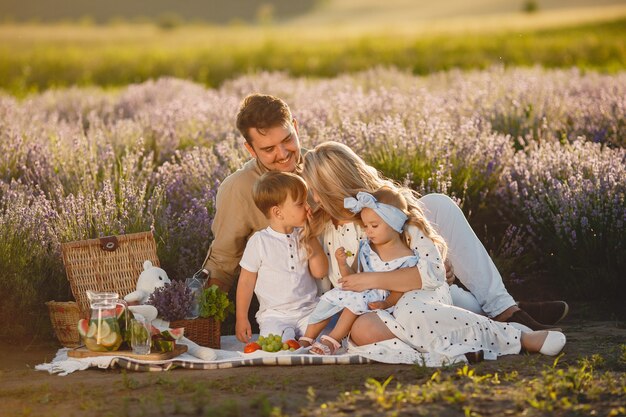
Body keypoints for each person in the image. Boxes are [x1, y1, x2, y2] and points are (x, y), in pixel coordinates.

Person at [201, 93, 567, 332]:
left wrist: (423, 242)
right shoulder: (239, 190)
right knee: (421, 288)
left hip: (369, 251)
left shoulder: (319, 163)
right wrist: (210, 320)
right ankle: (498, 319)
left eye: (288, 140)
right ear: (250, 149)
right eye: (269, 149)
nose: (283, 154)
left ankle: (504, 309)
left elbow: (371, 200)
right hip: (319, 279)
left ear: (296, 128)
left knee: (436, 204)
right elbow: (222, 262)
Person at [301, 142, 566, 364]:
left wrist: (427, 264)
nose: (312, 197)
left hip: (423, 298)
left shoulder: (384, 212)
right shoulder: (322, 228)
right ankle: (485, 328)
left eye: (315, 190)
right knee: (363, 329)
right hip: (381, 312)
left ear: (332, 189)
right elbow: (336, 286)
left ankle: (507, 322)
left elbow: (425, 274)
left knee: (436, 205)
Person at [300, 187, 442, 355]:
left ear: (393, 223)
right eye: (366, 226)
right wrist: (342, 264)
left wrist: (386, 303)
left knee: (354, 304)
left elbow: (399, 289)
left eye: (374, 225)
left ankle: (332, 341)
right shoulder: (366, 246)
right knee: (328, 300)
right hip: (359, 291)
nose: (368, 231)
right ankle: (307, 338)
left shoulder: (406, 257)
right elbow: (352, 277)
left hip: (376, 299)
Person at [235, 171, 328, 343]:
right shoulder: (260, 242)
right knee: (275, 342)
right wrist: (241, 318)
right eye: (301, 204)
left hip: (308, 311)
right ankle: (292, 340)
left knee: (322, 338)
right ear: (278, 213)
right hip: (274, 315)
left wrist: (311, 237)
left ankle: (304, 341)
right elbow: (246, 282)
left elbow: (320, 272)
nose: (308, 207)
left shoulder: (305, 236)